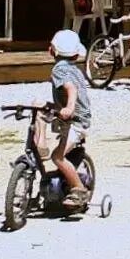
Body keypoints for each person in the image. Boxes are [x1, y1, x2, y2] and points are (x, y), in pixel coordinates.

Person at [45, 29, 92, 209]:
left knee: (57, 156)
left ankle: (78, 189)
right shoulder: (73, 69)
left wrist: (69, 107)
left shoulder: (59, 69)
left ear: (53, 51)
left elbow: (71, 89)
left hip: (75, 121)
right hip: (79, 119)